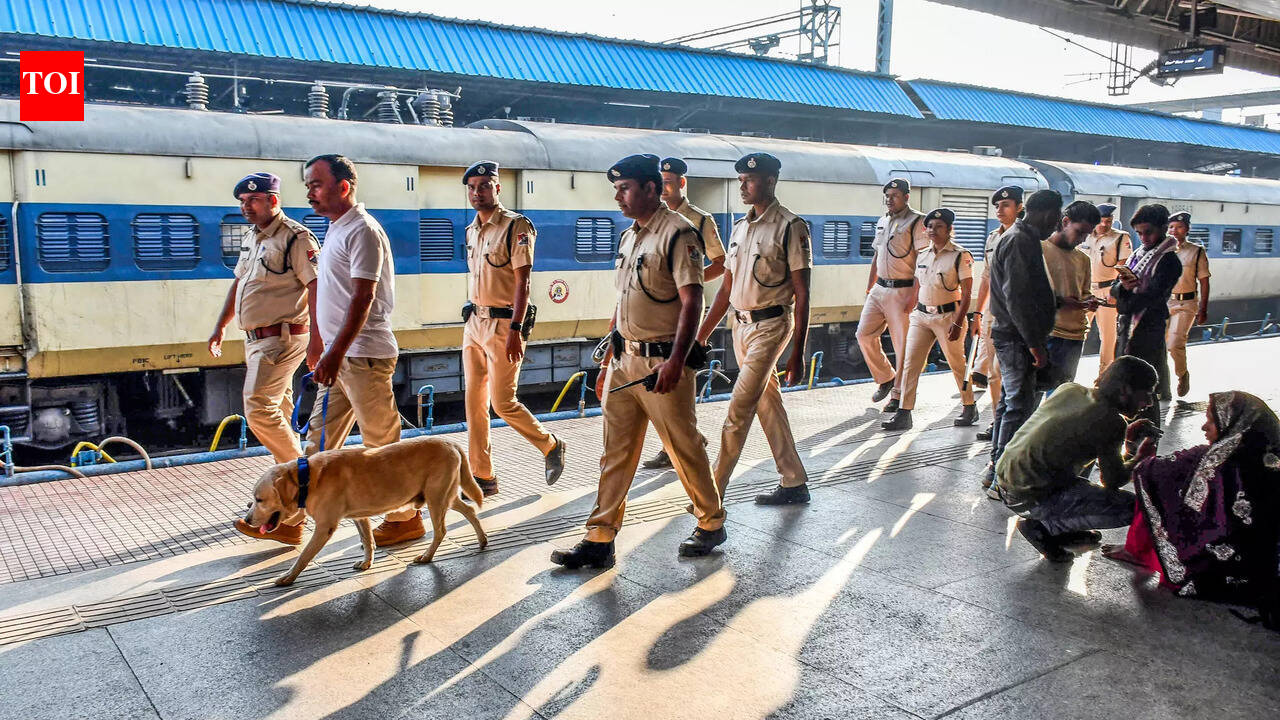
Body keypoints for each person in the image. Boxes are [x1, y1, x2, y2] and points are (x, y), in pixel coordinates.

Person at [551, 154, 726, 569]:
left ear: (651, 188)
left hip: (661, 363)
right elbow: (623, 299)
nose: (618, 197)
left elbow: (693, 301)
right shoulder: (629, 237)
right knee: (615, 452)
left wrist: (677, 361)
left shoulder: (679, 233)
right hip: (624, 361)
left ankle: (712, 521)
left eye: (625, 188)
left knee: (683, 447)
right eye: (616, 189)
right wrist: (607, 359)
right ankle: (600, 537)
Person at [302, 154, 417, 546]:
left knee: (381, 444)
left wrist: (333, 352)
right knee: (320, 438)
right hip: (342, 356)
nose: (310, 192)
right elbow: (330, 296)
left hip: (362, 354)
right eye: (308, 185)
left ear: (343, 187)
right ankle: (296, 513)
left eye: (316, 184)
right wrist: (321, 344)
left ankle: (405, 518)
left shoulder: (363, 231)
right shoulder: (337, 228)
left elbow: (362, 297)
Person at [697, 152, 812, 505]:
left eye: (749, 180)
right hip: (741, 326)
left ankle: (711, 494)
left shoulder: (791, 226)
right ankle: (794, 481)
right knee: (767, 402)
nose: (743, 186)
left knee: (738, 410)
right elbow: (726, 289)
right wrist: (701, 335)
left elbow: (803, 293)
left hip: (773, 325)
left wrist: (797, 353)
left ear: (770, 181)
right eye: (741, 181)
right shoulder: (740, 228)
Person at [216, 172, 323, 546]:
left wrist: (318, 341)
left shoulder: (296, 237)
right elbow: (240, 284)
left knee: (259, 408)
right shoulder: (252, 237)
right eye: (243, 202)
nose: (246, 207)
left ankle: (304, 482)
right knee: (278, 413)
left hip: (281, 338)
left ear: (273, 200)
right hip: (257, 340)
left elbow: (316, 287)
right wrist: (220, 326)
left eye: (254, 200)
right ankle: (294, 509)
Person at [1109, 391, 1279, 608]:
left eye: (1211, 421)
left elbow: (1147, 472)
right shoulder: (1271, 457)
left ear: (1234, 425)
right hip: (1265, 565)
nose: (1203, 427)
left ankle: (1138, 551)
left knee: (1154, 479)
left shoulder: (1214, 460)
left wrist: (1137, 450)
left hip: (1215, 566)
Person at [460, 161, 565, 496]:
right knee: (474, 403)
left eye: (484, 186)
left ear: (497, 188)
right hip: (474, 324)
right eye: (472, 187)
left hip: (504, 324)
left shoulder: (516, 225)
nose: (477, 193)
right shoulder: (472, 230)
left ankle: (550, 444)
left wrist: (516, 330)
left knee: (503, 402)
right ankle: (483, 476)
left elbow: (524, 282)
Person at [997, 356, 1160, 562]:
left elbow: (1070, 437)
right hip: (1030, 497)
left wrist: (1125, 438)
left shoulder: (1070, 390)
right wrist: (1140, 458)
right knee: (1136, 507)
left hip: (1006, 483)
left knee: (1079, 461)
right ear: (1125, 390)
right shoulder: (1110, 421)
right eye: (1147, 394)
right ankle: (1044, 527)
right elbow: (1113, 481)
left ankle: (1062, 528)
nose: (1149, 403)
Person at [642, 156, 727, 471]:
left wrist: (689, 281)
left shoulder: (700, 220)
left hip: (684, 309)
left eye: (668, 182)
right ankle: (686, 439)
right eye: (660, 182)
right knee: (655, 378)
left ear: (681, 183)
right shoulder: (650, 217)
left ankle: (681, 444)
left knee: (679, 379)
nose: (663, 188)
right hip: (655, 310)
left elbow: (721, 263)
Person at [983, 189, 1061, 495]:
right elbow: (1017, 297)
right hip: (1016, 338)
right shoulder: (1019, 241)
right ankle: (1004, 479)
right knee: (1018, 407)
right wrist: (1034, 344)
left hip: (1012, 336)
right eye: (1056, 217)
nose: (1056, 224)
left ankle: (995, 469)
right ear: (1047, 213)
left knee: (1008, 404)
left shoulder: (1019, 237)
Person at [881, 208, 976, 431]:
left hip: (948, 317)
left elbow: (967, 293)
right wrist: (911, 306)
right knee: (910, 363)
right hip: (922, 316)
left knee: (957, 363)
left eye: (939, 227)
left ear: (949, 229)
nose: (933, 230)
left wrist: (958, 322)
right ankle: (904, 413)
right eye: (930, 226)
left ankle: (969, 406)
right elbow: (918, 284)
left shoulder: (960, 255)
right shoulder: (922, 254)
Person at [857, 178, 928, 411]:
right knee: (864, 334)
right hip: (879, 289)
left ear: (906, 197)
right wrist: (869, 287)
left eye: (894, 195)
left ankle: (898, 396)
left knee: (903, 347)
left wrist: (915, 295)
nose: (889, 200)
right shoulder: (883, 221)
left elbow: (923, 261)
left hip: (903, 289)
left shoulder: (917, 221)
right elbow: (877, 256)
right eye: (887, 196)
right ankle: (886, 377)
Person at [1112, 204, 1181, 437]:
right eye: (1139, 233)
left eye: (1148, 232)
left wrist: (1124, 301)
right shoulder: (1138, 255)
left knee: (1143, 390)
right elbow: (1115, 289)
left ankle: (1146, 442)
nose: (1143, 238)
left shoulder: (1169, 261)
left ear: (1163, 228)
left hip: (1148, 331)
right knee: (1127, 386)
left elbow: (1152, 296)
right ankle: (1131, 440)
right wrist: (1124, 287)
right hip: (1128, 329)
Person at [972, 186, 1023, 441]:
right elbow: (986, 277)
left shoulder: (1026, 237)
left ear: (1019, 207)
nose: (999, 210)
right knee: (993, 374)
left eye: (1006, 205)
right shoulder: (993, 237)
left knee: (1007, 372)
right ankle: (998, 421)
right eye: (997, 206)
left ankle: (1013, 424)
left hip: (1016, 312)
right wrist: (977, 312)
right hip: (994, 310)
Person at [1038, 200, 1099, 394]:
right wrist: (1061, 301)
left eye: (1087, 234)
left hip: (1075, 336)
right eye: (1079, 232)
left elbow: (1085, 292)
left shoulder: (1083, 259)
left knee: (1061, 396)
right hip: (1048, 333)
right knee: (1035, 394)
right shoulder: (1039, 250)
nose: (1082, 239)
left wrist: (1089, 301)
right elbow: (1030, 293)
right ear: (1065, 222)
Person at [1079, 203, 1133, 375]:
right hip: (1085, 289)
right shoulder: (1085, 236)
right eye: (1101, 221)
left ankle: (1104, 375)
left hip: (1107, 289)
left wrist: (1115, 291)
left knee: (1108, 336)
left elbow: (1123, 268)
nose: (1104, 225)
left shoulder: (1120, 238)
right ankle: (1069, 372)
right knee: (1078, 331)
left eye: (1108, 221)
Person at [1165, 212, 1210, 398]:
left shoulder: (1196, 251)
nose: (1175, 231)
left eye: (1179, 227)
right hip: (1164, 302)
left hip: (1186, 303)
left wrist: (1203, 308)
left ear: (1187, 230)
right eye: (1171, 227)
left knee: (1175, 343)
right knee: (1158, 345)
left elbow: (1204, 281)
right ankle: (1161, 384)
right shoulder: (1162, 250)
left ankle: (1182, 374)